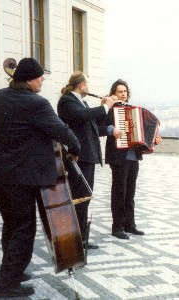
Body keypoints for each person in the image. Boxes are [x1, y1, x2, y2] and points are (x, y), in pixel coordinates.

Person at [0, 58, 81, 298]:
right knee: (24, 228)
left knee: (11, 224)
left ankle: (12, 271)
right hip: (21, 179)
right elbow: (61, 130)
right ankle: (6, 285)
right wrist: (76, 147)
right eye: (39, 77)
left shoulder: (0, 96)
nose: (43, 80)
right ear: (29, 79)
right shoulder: (37, 103)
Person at [57, 72, 116, 249]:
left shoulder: (81, 102)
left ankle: (81, 238)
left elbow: (92, 125)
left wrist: (104, 109)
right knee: (80, 197)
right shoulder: (67, 100)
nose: (88, 88)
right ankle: (76, 240)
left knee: (85, 197)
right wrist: (104, 107)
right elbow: (82, 116)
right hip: (79, 156)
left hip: (87, 156)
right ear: (81, 85)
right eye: (87, 85)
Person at [104, 79, 162, 239]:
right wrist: (112, 130)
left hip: (133, 157)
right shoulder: (110, 110)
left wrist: (154, 139)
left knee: (130, 193)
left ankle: (130, 225)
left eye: (125, 92)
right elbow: (100, 127)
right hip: (118, 157)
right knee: (119, 193)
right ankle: (117, 227)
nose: (123, 94)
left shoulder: (133, 110)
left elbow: (146, 132)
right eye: (119, 92)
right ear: (113, 94)